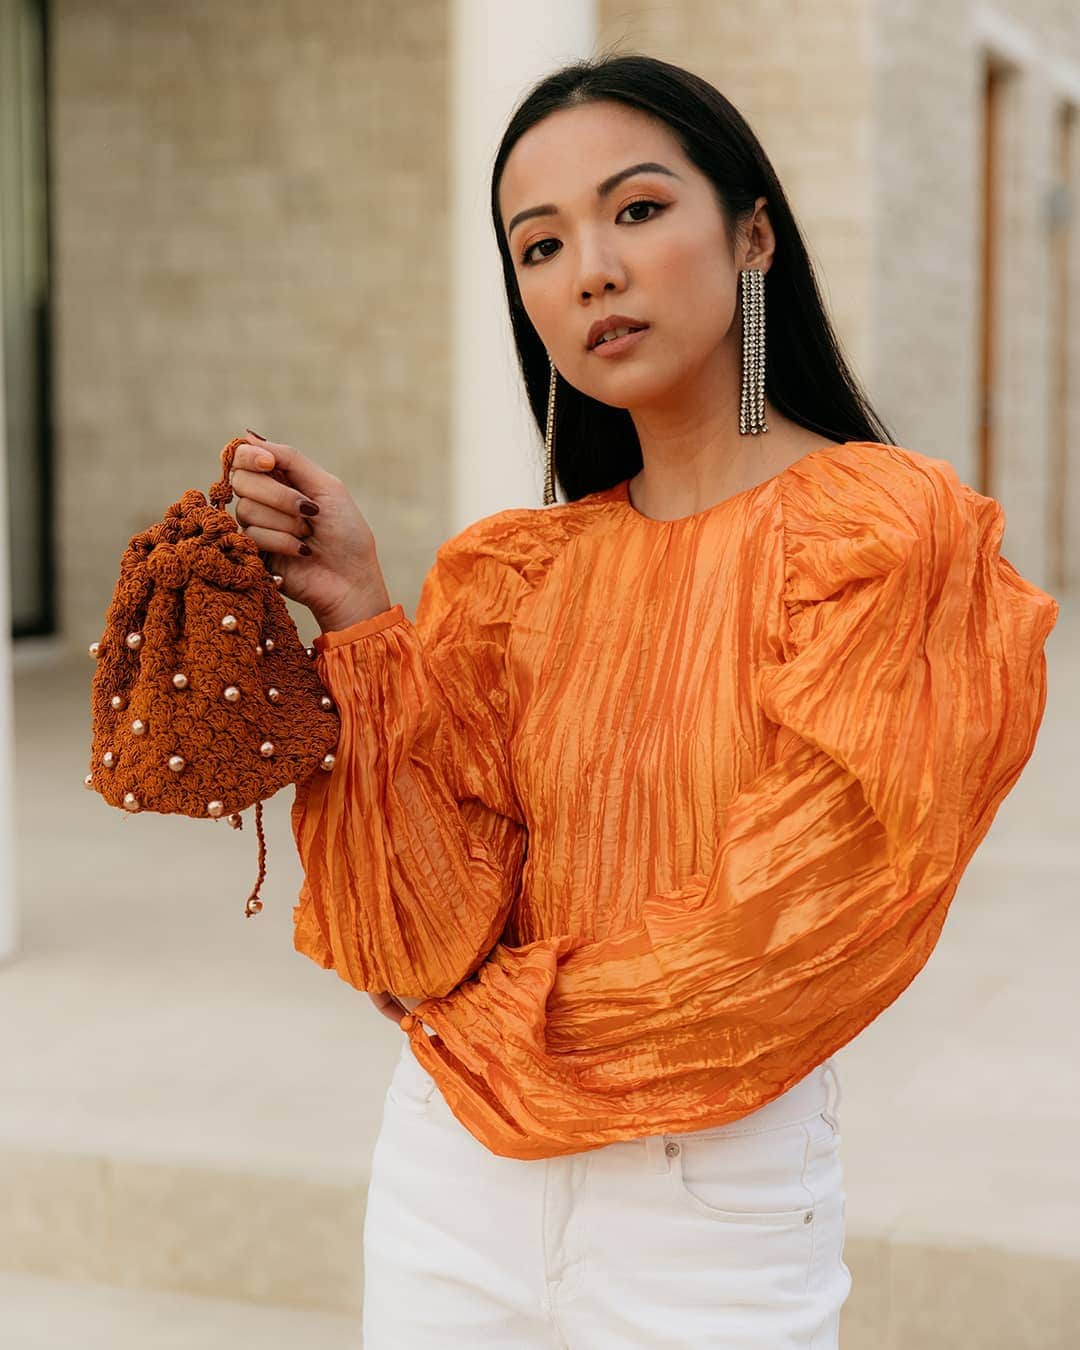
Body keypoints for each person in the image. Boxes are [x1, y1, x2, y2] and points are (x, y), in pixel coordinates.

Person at [226, 52, 1058, 1350]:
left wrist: (478, 1011)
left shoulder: (893, 536)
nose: (592, 268)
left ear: (754, 232)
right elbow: (414, 928)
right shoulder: (508, 575)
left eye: (638, 209)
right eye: (541, 243)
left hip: (707, 1204)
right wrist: (359, 614)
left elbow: (779, 943)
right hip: (449, 1186)